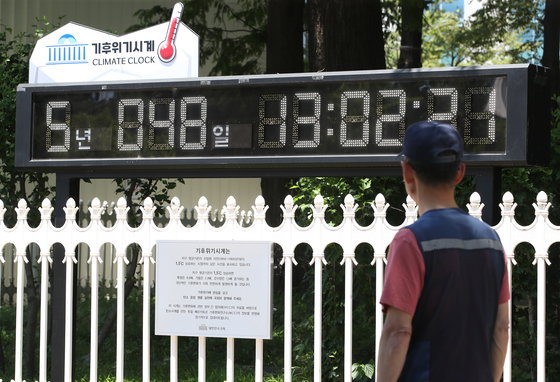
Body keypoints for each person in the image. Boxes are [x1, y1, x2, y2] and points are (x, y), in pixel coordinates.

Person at [377, 121, 510, 382]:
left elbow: (398, 331)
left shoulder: (410, 241)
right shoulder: (491, 241)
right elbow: (502, 326)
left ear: (407, 172)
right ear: (459, 172)